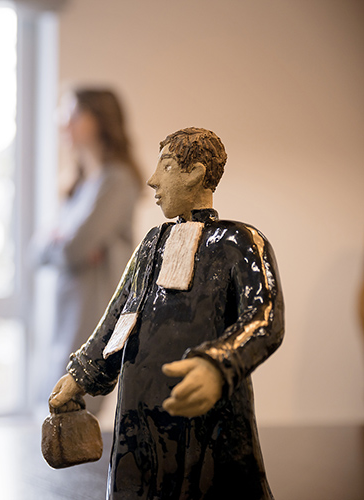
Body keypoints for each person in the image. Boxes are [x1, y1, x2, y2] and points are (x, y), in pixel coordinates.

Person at [49, 127, 284, 499]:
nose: (152, 180)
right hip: (137, 413)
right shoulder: (151, 244)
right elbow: (117, 318)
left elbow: (264, 319)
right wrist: (80, 374)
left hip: (204, 410)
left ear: (195, 173)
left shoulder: (239, 241)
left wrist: (216, 365)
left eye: (168, 166)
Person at [37, 88, 141, 414]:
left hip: (93, 318)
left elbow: (72, 250)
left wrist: (63, 243)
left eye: (72, 113)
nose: (62, 122)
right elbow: (37, 251)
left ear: (99, 120)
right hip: (66, 316)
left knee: (73, 414)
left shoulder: (118, 182)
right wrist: (63, 244)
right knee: (55, 418)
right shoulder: (79, 186)